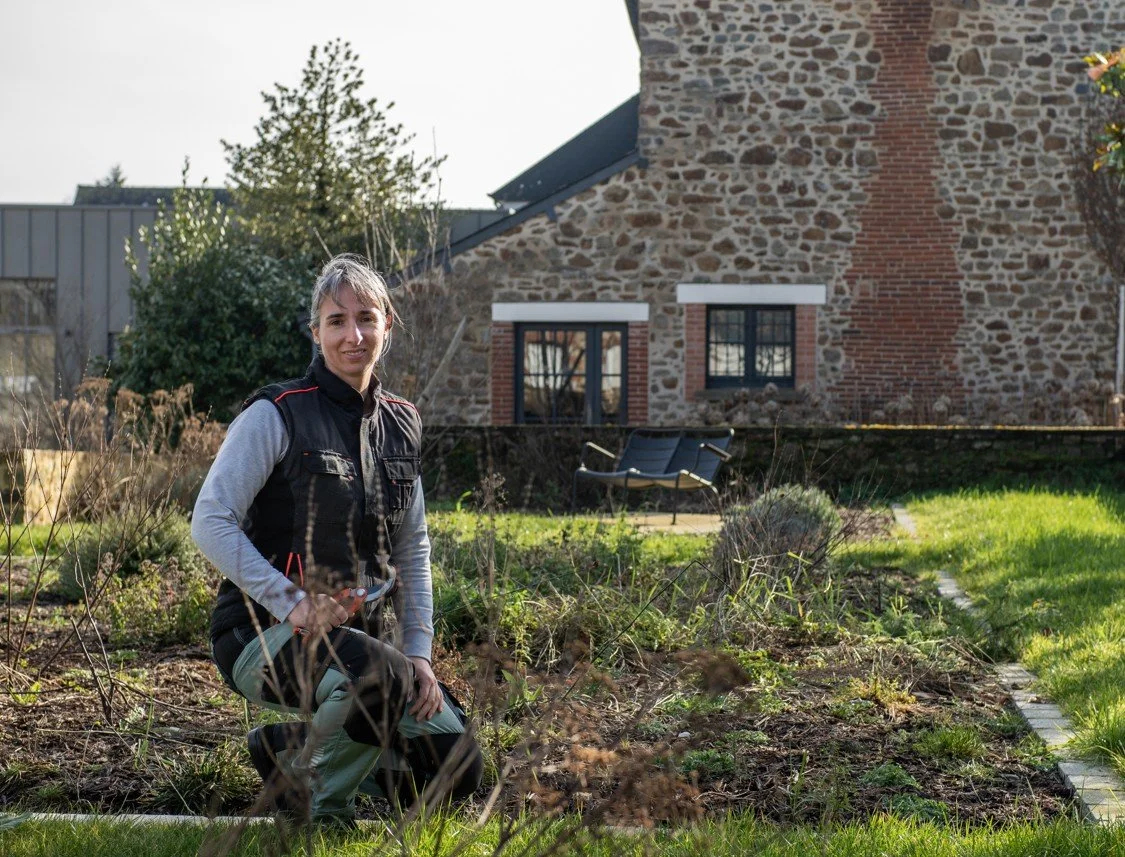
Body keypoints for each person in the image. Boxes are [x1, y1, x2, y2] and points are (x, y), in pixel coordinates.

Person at [192, 254, 482, 826]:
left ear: (388, 325)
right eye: (336, 321)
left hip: (363, 650)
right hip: (260, 634)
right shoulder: (275, 414)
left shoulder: (402, 423)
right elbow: (210, 520)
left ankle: (290, 752)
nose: (354, 335)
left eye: (366, 318)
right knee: (377, 676)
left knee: (458, 764)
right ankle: (320, 809)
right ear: (316, 331)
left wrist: (418, 655)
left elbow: (412, 552)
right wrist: (291, 602)